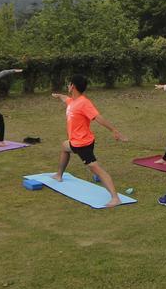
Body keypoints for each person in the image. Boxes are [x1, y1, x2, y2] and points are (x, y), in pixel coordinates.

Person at [51, 74, 128, 207]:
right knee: (64, 147)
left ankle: (115, 198)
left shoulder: (84, 103)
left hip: (83, 144)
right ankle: (59, 175)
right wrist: (59, 96)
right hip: (75, 142)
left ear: (73, 86)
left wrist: (114, 130)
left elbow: (98, 117)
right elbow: (66, 99)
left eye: (69, 84)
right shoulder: (73, 101)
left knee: (95, 168)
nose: (67, 86)